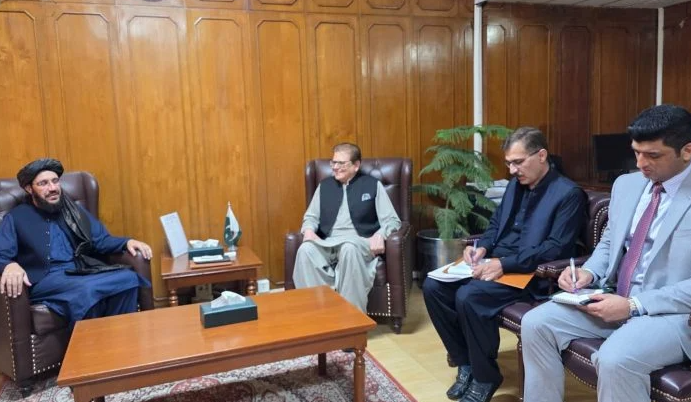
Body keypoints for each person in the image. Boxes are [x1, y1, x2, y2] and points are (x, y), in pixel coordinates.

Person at [521, 104, 691, 402]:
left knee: (615, 358)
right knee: (536, 323)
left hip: (672, 314)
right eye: (636, 152)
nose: (641, 164)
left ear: (687, 151)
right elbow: (611, 242)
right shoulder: (627, 185)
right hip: (614, 297)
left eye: (653, 155)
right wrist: (589, 271)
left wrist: (634, 305)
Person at [423, 127, 586, 402]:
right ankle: (465, 363)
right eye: (509, 163)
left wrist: (504, 264)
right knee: (432, 287)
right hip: (495, 261)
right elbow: (496, 224)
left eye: (518, 162)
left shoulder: (568, 194)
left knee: (469, 296)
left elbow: (555, 248)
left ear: (542, 155)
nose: (512, 170)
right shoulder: (514, 185)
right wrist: (482, 247)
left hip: (530, 273)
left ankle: (486, 376)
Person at [0, 158, 153, 328]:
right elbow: (2, 253)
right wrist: (9, 265)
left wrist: (126, 242)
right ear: (29, 189)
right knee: (87, 291)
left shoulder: (72, 210)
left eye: (55, 181)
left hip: (78, 271)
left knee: (128, 279)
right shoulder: (16, 217)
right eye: (43, 183)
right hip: (45, 278)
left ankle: (118, 334)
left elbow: (100, 240)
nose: (52, 188)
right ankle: (90, 342)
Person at [292, 143, 401, 313]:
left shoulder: (372, 185)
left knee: (348, 249)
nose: (335, 167)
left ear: (356, 165)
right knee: (305, 250)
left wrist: (380, 234)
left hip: (358, 242)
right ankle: (318, 315)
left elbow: (392, 220)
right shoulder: (324, 186)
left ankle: (351, 318)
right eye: (333, 162)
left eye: (341, 163)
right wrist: (309, 230)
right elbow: (311, 217)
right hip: (328, 243)